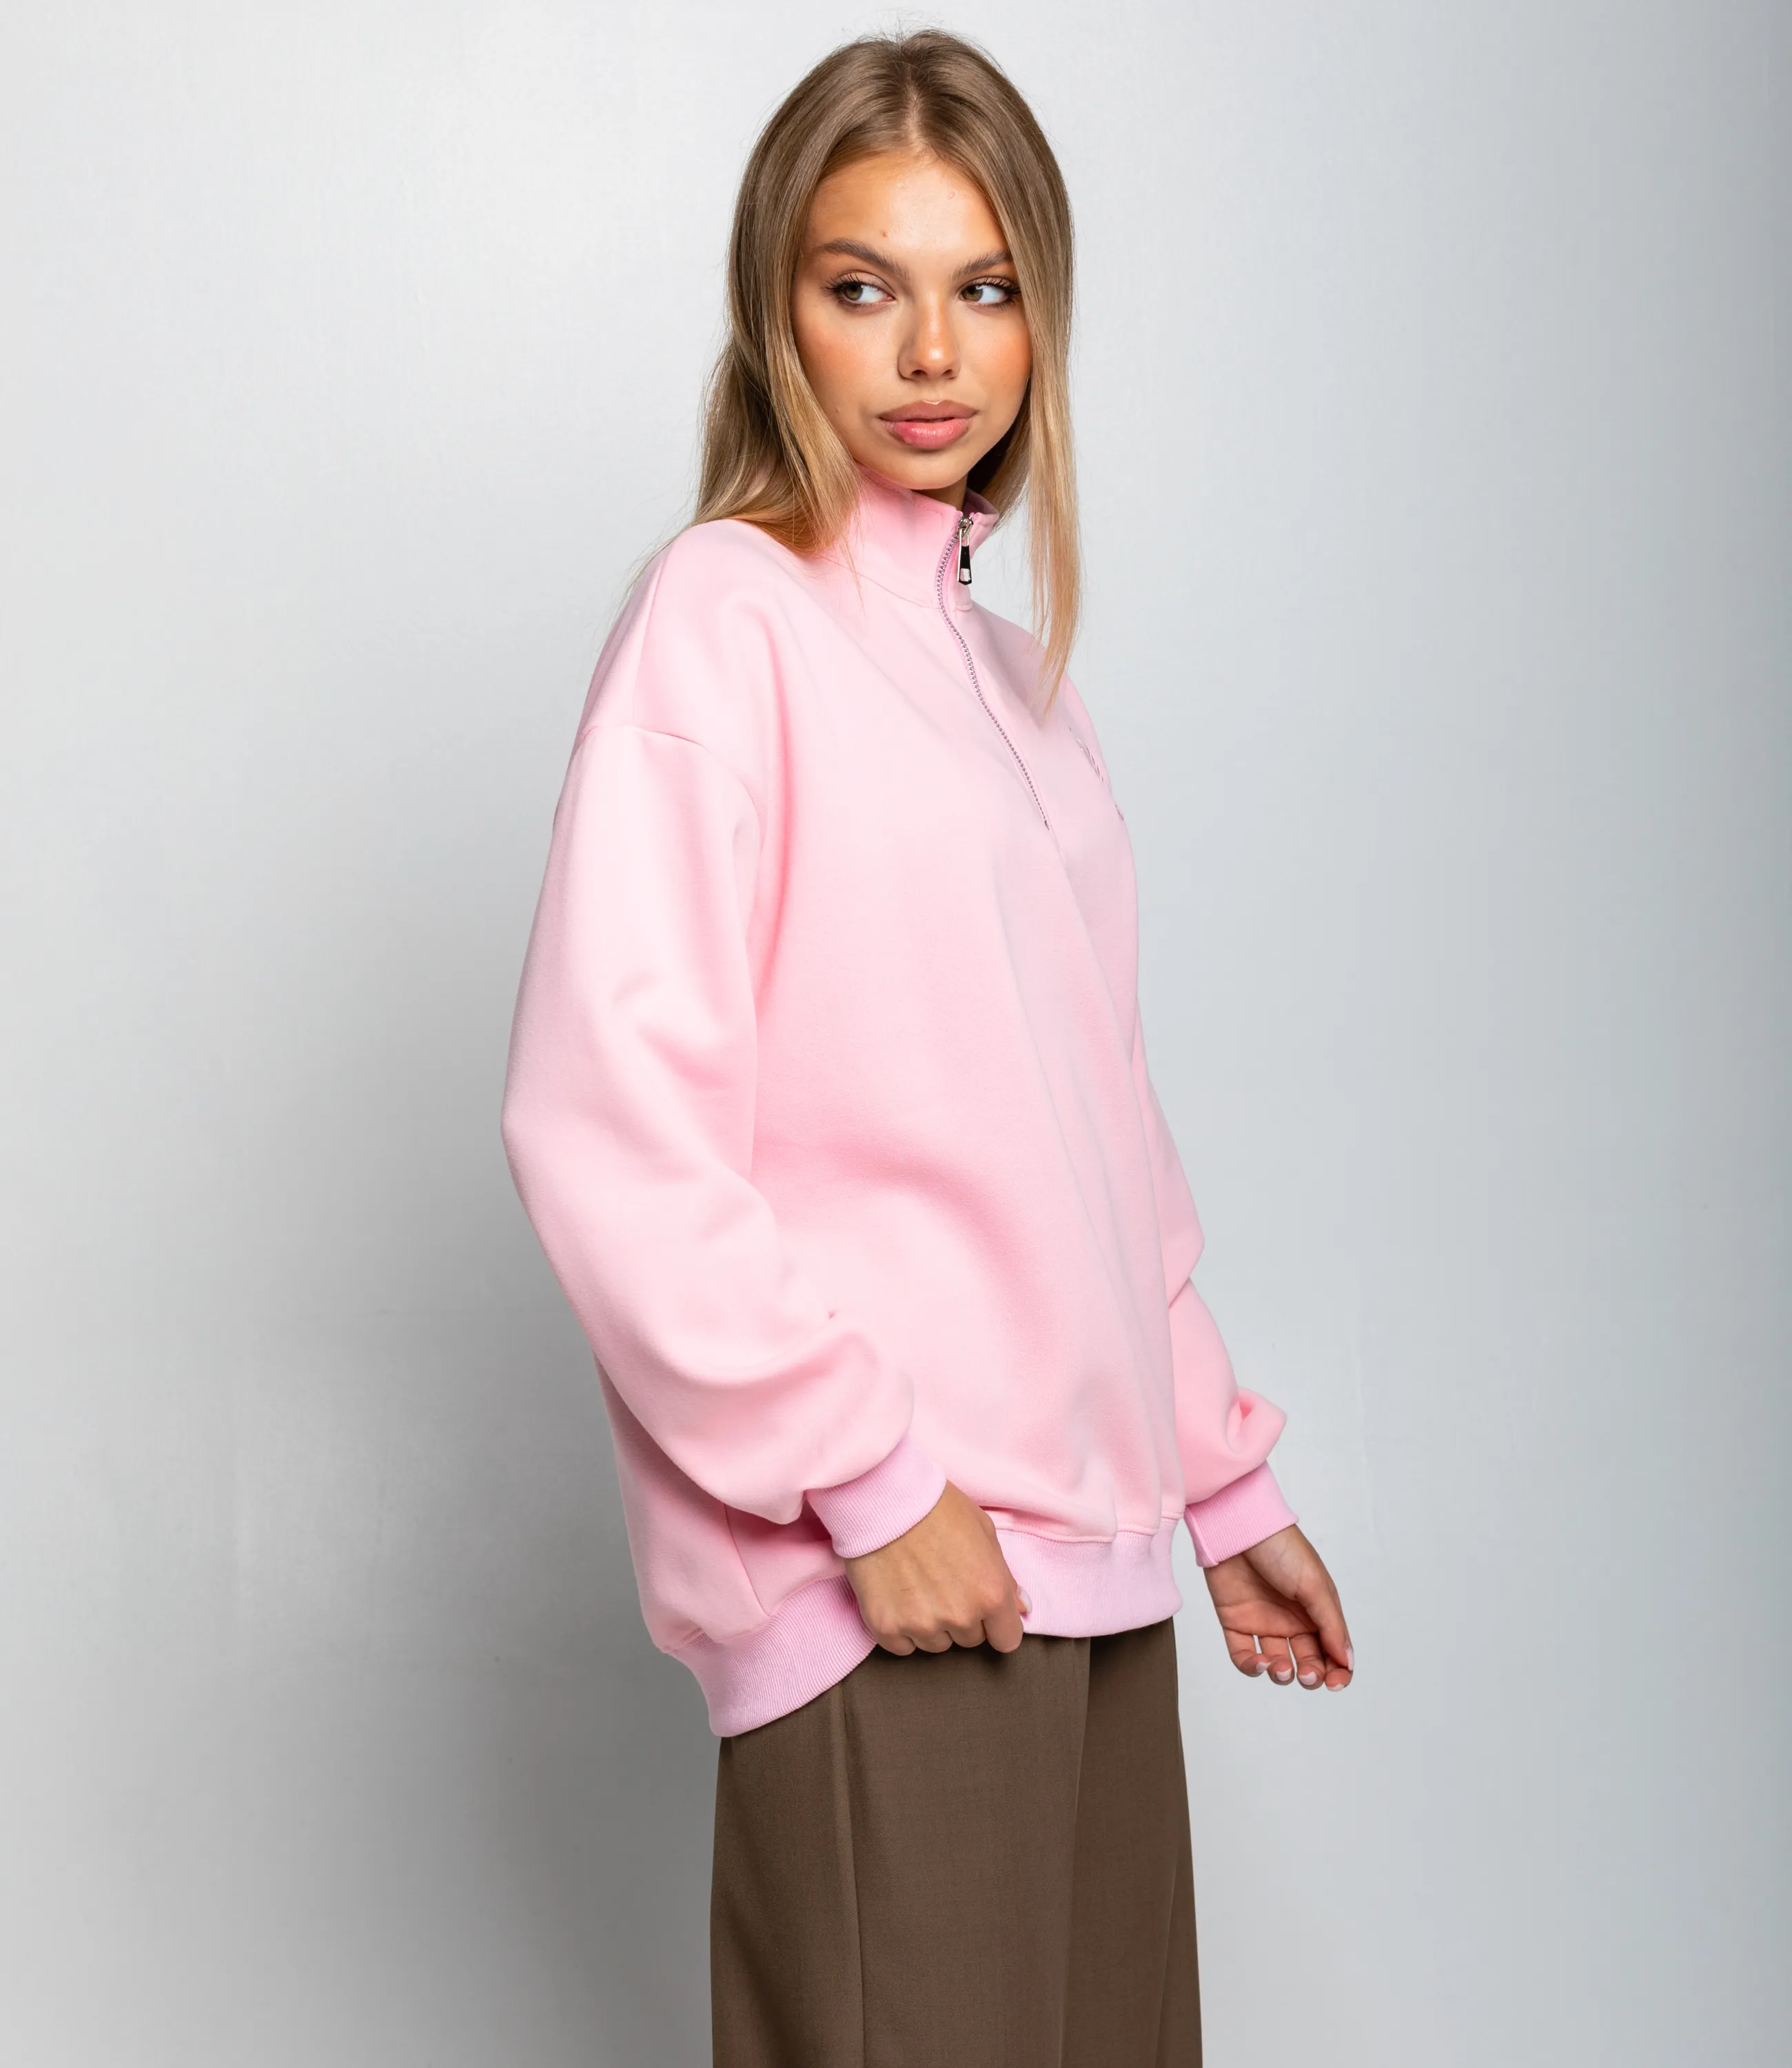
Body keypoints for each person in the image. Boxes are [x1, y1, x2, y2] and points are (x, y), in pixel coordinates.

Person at [500, 28, 1353, 2067]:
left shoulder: (1017, 688)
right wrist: (871, 1480)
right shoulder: (726, 617)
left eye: (985, 286)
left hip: (1095, 1568)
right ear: (776, 310)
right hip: (892, 1569)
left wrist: (1222, 1489)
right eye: (862, 285)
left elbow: (1099, 1140)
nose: (933, 352)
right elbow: (611, 1126)